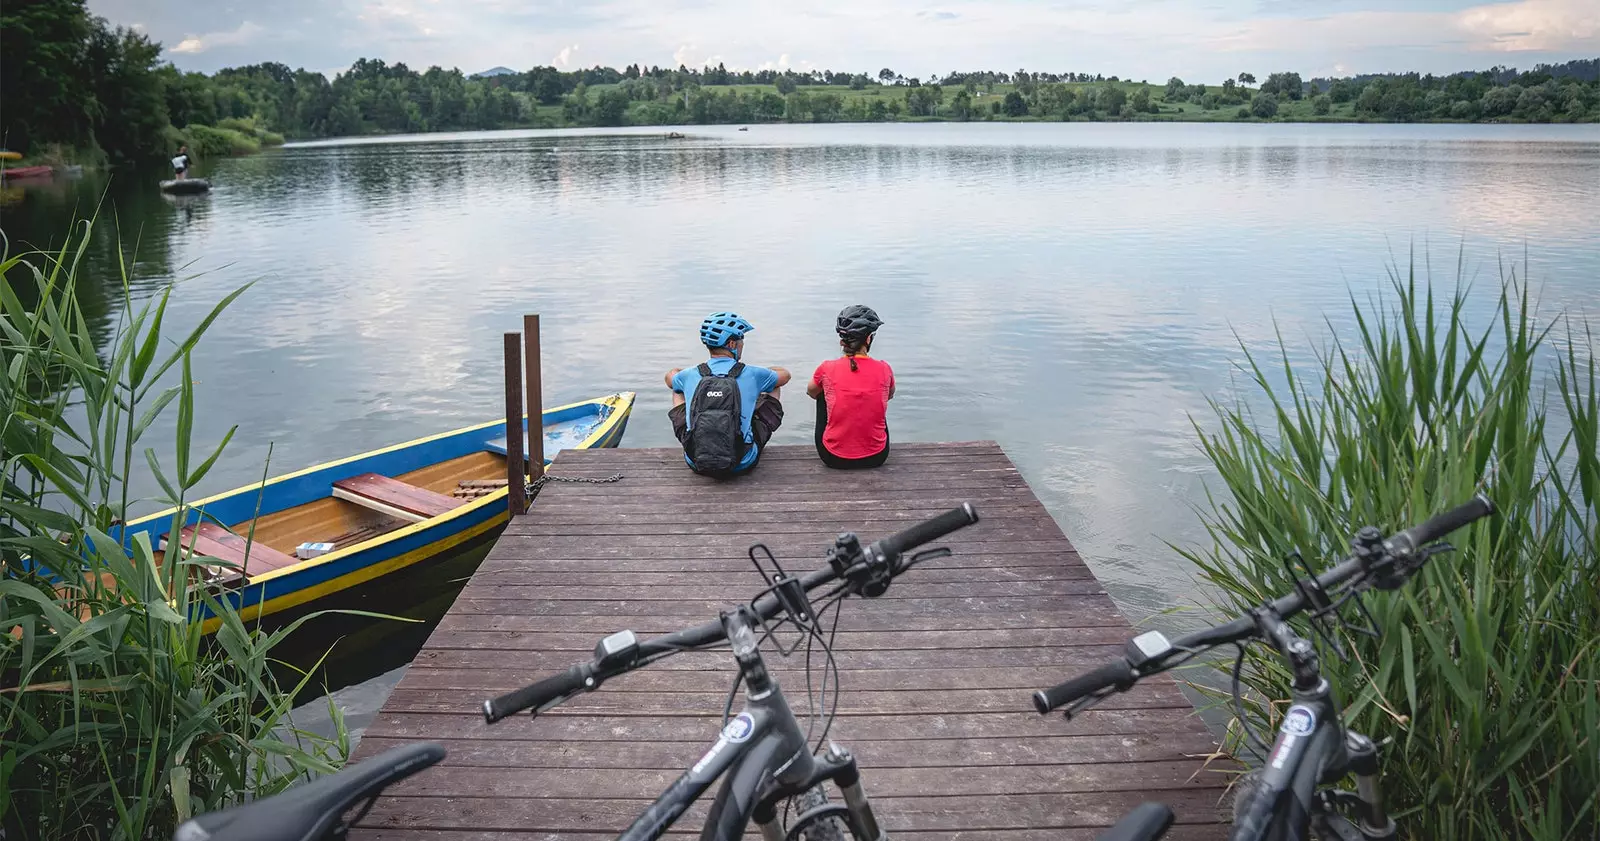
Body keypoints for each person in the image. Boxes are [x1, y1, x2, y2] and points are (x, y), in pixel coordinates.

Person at [666, 312, 791, 476]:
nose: (742, 345)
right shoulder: (753, 373)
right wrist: (765, 375)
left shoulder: (690, 374)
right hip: (742, 461)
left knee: (678, 391)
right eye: (741, 340)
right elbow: (785, 375)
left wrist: (681, 375)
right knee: (773, 386)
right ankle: (748, 438)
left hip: (695, 460)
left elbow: (669, 379)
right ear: (731, 343)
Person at [807, 305, 893, 469]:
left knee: (821, 393)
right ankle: (868, 441)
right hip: (877, 456)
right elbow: (889, 395)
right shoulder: (884, 368)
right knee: (879, 396)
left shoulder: (826, 368)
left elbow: (810, 391)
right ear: (868, 339)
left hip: (832, 457)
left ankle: (840, 440)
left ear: (842, 340)